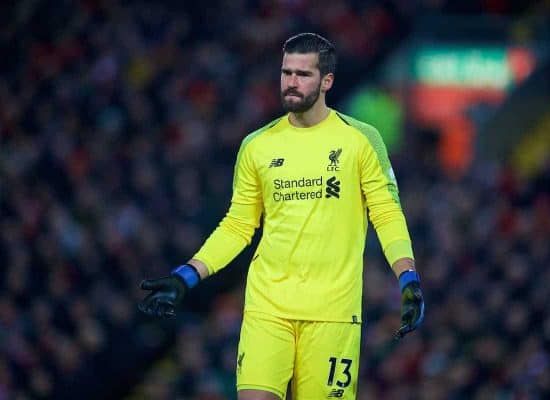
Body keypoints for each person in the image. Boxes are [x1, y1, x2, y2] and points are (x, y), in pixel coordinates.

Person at [138, 32, 424, 400]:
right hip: (267, 309)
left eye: (303, 74)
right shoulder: (258, 145)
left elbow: (386, 214)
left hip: (332, 315)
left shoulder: (361, 140)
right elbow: (239, 225)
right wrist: (187, 275)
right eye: (286, 72)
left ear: (327, 81)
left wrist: (408, 278)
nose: (291, 82)